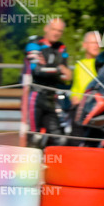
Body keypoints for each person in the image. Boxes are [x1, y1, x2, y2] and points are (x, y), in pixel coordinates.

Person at [25, 17, 72, 145]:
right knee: (34, 137)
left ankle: (52, 164)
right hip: (35, 96)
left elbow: (67, 77)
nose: (56, 33)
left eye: (59, 31)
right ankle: (29, 164)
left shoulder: (61, 48)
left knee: (60, 139)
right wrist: (58, 69)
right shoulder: (34, 44)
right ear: (46, 28)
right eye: (53, 29)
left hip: (52, 98)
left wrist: (52, 69)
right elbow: (37, 70)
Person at [71, 30, 101, 104]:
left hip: (97, 104)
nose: (96, 46)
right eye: (93, 43)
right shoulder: (79, 65)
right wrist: (73, 96)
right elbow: (75, 87)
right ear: (84, 45)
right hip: (81, 106)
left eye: (98, 43)